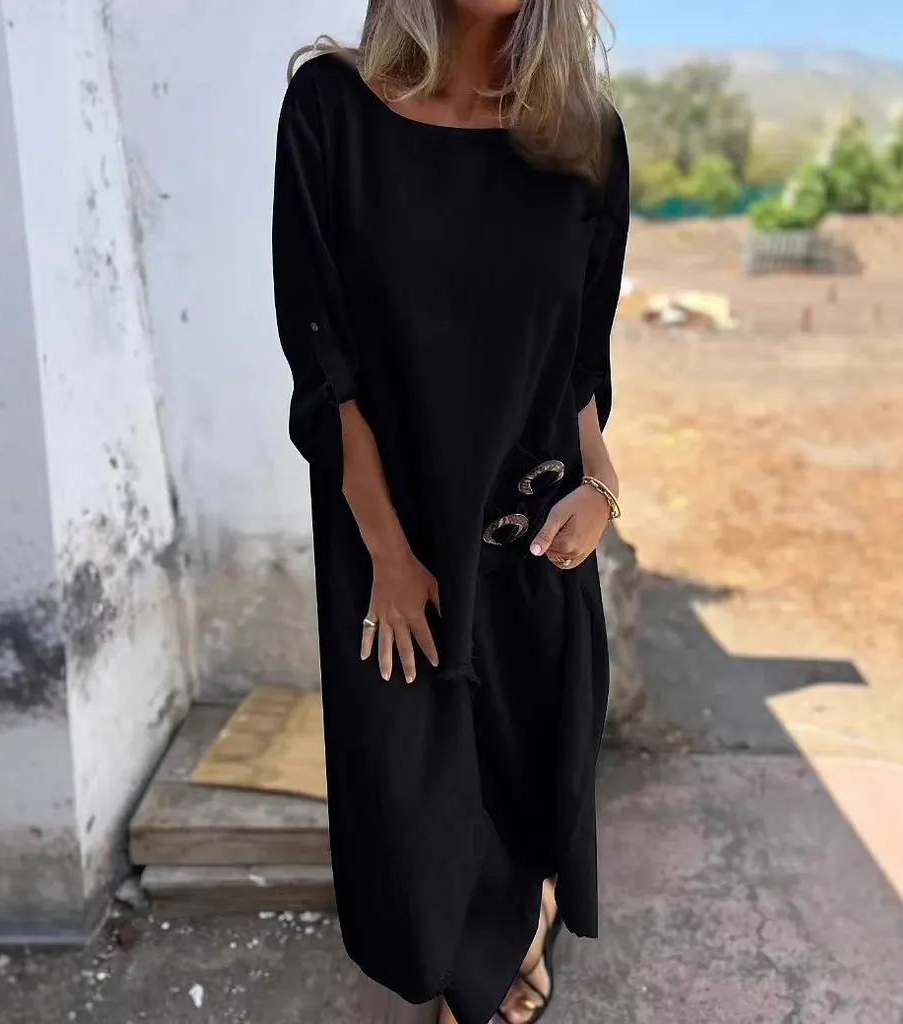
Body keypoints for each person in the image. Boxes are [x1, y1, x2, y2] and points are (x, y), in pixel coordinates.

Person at [272, 0, 629, 1021]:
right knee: (413, 796)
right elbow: (324, 357)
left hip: (532, 533)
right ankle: (472, 957)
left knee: (524, 769)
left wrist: (600, 486)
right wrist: (386, 548)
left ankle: (517, 935)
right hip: (392, 536)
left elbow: (580, 359)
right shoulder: (332, 109)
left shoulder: (585, 136)